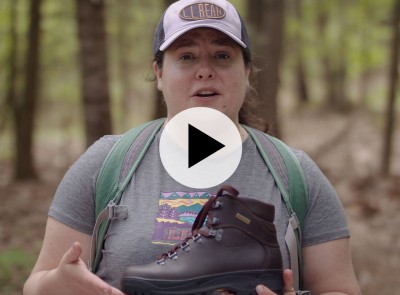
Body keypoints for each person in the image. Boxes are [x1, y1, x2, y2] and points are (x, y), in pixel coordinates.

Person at [23, 0, 362, 294]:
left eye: (222, 55)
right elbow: (36, 285)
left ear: (246, 72)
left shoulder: (294, 175)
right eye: (186, 56)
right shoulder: (106, 164)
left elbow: (341, 289)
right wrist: (56, 285)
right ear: (158, 73)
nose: (204, 71)